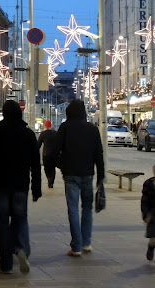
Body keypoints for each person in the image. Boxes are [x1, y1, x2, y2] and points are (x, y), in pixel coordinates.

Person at [0, 100, 41, 275]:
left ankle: (6, 261)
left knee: (1, 222)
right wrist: (36, 187)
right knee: (20, 218)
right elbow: (36, 164)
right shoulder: (28, 134)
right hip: (21, 185)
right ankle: (21, 248)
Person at [52, 99, 104, 257]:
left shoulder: (65, 127)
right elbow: (99, 154)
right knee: (87, 208)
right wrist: (100, 175)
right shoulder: (92, 129)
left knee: (73, 209)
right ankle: (86, 243)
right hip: (88, 173)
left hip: (70, 174)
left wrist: (60, 164)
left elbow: (55, 150)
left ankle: (76, 246)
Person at [37, 121, 57, 188]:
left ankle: (49, 178)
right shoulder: (55, 133)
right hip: (54, 154)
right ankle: (51, 181)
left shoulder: (43, 134)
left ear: (45, 126)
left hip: (46, 154)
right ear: (51, 125)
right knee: (53, 168)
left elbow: (38, 144)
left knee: (46, 168)